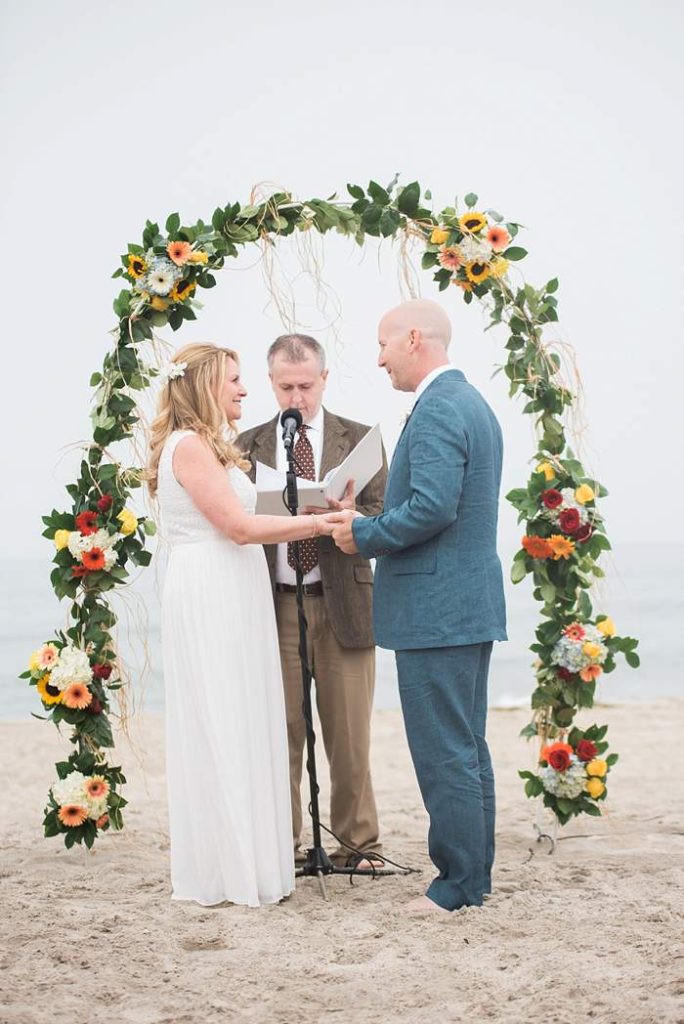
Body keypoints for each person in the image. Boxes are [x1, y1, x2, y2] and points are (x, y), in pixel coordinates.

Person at [327, 300, 507, 914]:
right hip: (464, 604)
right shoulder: (472, 404)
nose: (377, 358)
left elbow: (432, 508)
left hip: (438, 610)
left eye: (381, 345)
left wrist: (363, 533)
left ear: (412, 339)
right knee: (466, 745)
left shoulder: (436, 409)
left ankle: (456, 886)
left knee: (444, 751)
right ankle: (472, 879)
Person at [147, 342, 332, 907]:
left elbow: (250, 519)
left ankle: (249, 857)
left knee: (244, 715)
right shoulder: (189, 448)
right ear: (204, 385)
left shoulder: (208, 446)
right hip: (212, 590)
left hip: (233, 586)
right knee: (224, 718)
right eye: (233, 380)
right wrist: (318, 527)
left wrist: (313, 510)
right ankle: (227, 869)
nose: (244, 390)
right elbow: (237, 527)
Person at [237, 334, 387, 868]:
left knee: (349, 735)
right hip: (274, 604)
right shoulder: (245, 445)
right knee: (281, 734)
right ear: (271, 383)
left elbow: (384, 513)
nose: (296, 398)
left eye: (305, 386)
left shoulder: (359, 439)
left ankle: (357, 846)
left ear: (324, 380)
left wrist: (353, 515)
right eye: (285, 387)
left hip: (342, 599)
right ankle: (283, 845)